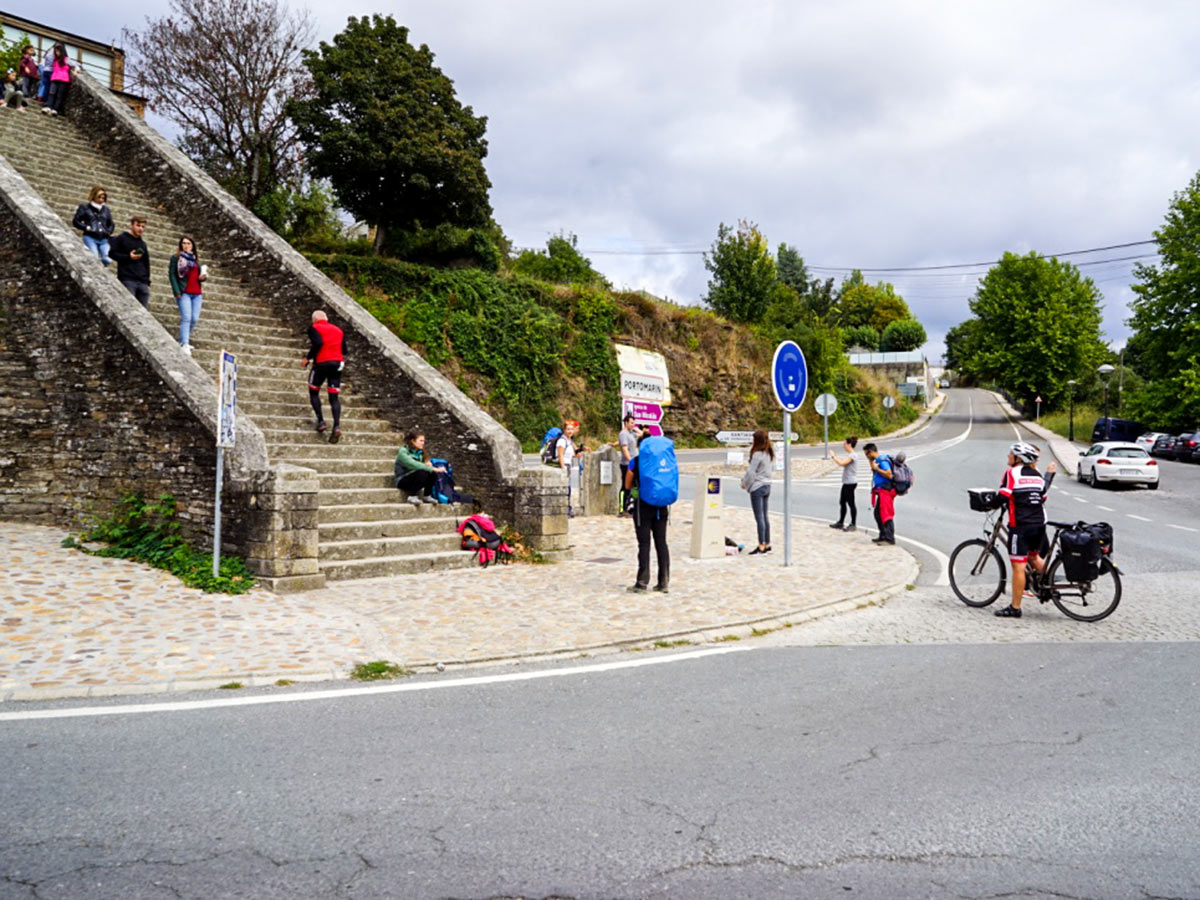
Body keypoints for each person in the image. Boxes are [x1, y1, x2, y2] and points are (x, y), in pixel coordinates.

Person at [994, 441, 1058, 619]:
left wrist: (989, 503)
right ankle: (1050, 585)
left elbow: (1003, 495)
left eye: (1011, 454)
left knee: (1018, 566)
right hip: (1039, 524)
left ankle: (1015, 608)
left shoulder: (1011, 473)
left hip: (1020, 525)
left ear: (1018, 458)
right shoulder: (1037, 475)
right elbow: (1042, 496)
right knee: (1034, 556)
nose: (1008, 456)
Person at [624, 433, 675, 593]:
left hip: (643, 506)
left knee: (644, 544)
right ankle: (663, 582)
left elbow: (627, 484)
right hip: (662, 506)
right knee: (662, 543)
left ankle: (642, 582)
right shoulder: (665, 460)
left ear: (640, 447)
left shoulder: (636, 461)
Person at [302, 309, 345, 443]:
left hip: (321, 363)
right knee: (334, 396)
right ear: (326, 318)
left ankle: (321, 421)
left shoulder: (314, 328)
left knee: (314, 391)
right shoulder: (339, 330)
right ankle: (336, 426)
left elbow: (318, 343)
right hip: (337, 364)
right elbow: (344, 349)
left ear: (314, 319)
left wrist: (308, 358)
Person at [167, 236, 207, 355]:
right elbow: (172, 275)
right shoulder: (176, 258)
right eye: (183, 243)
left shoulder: (195, 260)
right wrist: (176, 291)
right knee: (186, 318)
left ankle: (185, 339)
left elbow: (198, 277)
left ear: (192, 246)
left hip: (197, 293)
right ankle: (184, 343)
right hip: (184, 292)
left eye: (188, 243)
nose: (186, 245)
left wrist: (202, 277)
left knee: (194, 319)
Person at [740, 430, 774, 554]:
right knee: (765, 516)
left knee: (759, 517)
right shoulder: (769, 453)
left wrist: (744, 483)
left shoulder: (757, 454)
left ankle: (761, 545)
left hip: (757, 487)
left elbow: (751, 472)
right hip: (767, 486)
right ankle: (767, 543)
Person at [394, 429, 447, 505]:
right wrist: (431, 468)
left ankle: (427, 495)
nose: (423, 443)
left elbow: (427, 467)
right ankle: (412, 496)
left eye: (424, 441)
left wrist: (430, 466)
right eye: (421, 441)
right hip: (402, 480)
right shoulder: (403, 451)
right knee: (423, 471)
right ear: (413, 441)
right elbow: (413, 464)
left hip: (416, 479)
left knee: (431, 473)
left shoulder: (421, 453)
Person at [109, 216, 151, 308]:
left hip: (142, 281)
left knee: (143, 310)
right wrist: (129, 257)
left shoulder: (142, 244)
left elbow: (146, 262)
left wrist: (147, 280)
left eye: (143, 227)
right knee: (128, 306)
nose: (140, 228)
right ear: (132, 225)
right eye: (138, 225)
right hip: (127, 278)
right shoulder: (122, 238)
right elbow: (112, 253)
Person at [71, 186, 114, 266]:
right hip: (90, 237)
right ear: (94, 196)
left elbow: (111, 223)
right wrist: (86, 227)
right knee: (94, 258)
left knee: (107, 259)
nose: (101, 200)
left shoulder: (106, 209)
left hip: (103, 239)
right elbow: (76, 221)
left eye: (103, 198)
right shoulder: (85, 207)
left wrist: (108, 231)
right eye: (99, 197)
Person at [864, 442, 896, 545]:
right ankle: (883, 535)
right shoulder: (877, 460)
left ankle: (889, 538)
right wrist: (872, 462)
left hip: (886, 491)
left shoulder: (882, 460)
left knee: (885, 514)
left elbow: (889, 474)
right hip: (881, 491)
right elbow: (874, 469)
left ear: (872, 451)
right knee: (878, 514)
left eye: (867, 454)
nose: (867, 456)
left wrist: (877, 468)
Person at [829, 435, 859, 532]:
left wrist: (833, 456)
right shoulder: (851, 455)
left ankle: (853, 524)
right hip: (846, 482)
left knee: (851, 503)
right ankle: (841, 522)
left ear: (849, 444)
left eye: (844, 444)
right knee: (842, 502)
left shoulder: (853, 455)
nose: (843, 446)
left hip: (850, 483)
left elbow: (842, 463)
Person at [42, 43, 73, 117]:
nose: (56, 53)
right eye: (56, 52)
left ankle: (55, 109)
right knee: (51, 93)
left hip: (63, 79)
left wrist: (76, 70)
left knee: (59, 95)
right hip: (55, 78)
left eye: (58, 51)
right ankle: (49, 106)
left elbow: (75, 65)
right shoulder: (55, 60)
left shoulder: (66, 59)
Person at [557, 419, 580, 517]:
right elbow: (560, 455)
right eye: (568, 429)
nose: (570, 431)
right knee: (565, 488)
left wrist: (576, 455)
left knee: (568, 488)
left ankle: (567, 509)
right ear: (564, 430)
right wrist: (563, 469)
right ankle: (565, 510)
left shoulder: (569, 441)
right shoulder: (562, 441)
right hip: (564, 466)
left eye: (572, 429)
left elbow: (570, 455)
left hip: (568, 465)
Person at [617, 413, 639, 516]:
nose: (633, 425)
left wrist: (635, 429)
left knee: (634, 486)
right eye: (631, 423)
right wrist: (630, 461)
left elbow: (642, 434)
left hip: (634, 463)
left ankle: (632, 505)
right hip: (627, 464)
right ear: (626, 423)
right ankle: (622, 508)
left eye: (634, 423)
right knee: (625, 486)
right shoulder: (623, 434)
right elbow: (624, 449)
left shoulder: (631, 433)